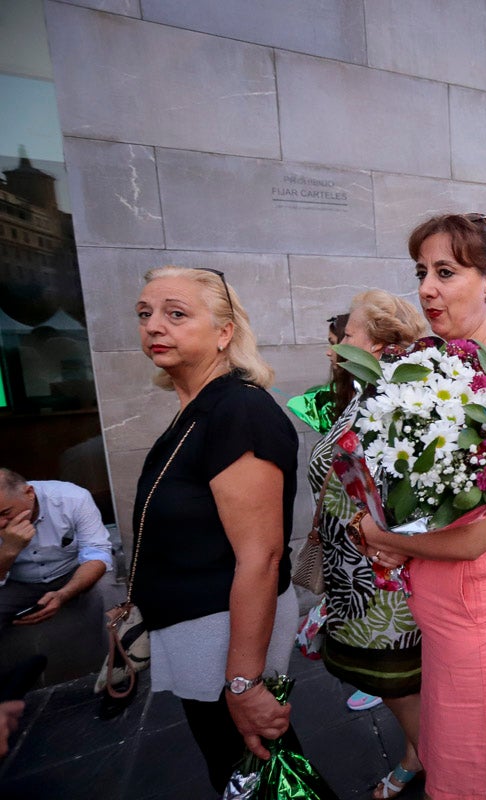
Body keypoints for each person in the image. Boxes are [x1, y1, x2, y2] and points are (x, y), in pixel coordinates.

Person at [358, 212, 486, 800]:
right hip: (457, 616)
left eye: (446, 271)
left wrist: (384, 535)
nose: (426, 288)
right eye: (422, 271)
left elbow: (476, 537)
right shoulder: (452, 363)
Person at [132, 266, 300, 792]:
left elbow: (261, 557)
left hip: (229, 634)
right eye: (145, 313)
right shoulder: (200, 408)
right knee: (250, 771)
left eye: (176, 314)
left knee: (261, 776)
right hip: (205, 630)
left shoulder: (238, 409)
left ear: (225, 332)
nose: (154, 325)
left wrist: (244, 682)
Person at [312, 290, 427, 798]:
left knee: (397, 681)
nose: (339, 344)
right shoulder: (362, 391)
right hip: (352, 569)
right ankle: (418, 752)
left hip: (380, 578)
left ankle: (434, 763)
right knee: (393, 685)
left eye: (350, 335)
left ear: (377, 344)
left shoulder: (394, 399)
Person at [0, 470, 112, 631]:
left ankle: (112, 653)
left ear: (29, 493)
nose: (2, 523)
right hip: (18, 582)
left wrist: (63, 594)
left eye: (6, 513)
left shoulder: (72, 498)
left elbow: (97, 553)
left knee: (107, 590)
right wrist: (9, 550)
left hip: (71, 572)